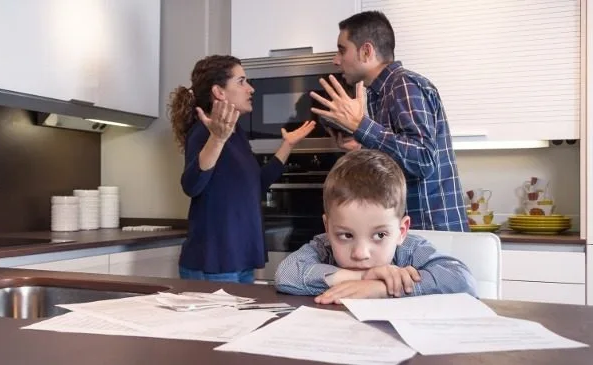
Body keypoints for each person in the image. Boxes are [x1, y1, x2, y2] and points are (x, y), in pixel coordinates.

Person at [310, 11, 468, 232]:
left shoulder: (403, 84)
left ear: (366, 51)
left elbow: (422, 159)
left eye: (342, 50)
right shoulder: (378, 94)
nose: (336, 60)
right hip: (413, 232)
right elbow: (401, 158)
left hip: (432, 232)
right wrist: (361, 146)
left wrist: (360, 125)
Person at [169, 55, 316, 284]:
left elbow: (256, 186)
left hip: (239, 261)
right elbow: (191, 184)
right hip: (215, 263)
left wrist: (288, 144)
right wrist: (217, 139)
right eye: (241, 81)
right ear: (219, 91)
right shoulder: (204, 132)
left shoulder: (236, 134)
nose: (251, 88)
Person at [274, 149, 477, 304]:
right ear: (327, 227)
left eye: (380, 235)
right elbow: (286, 275)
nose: (361, 254)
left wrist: (381, 288)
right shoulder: (323, 246)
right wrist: (362, 277)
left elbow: (462, 280)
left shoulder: (411, 249)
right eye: (346, 235)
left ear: (402, 231)